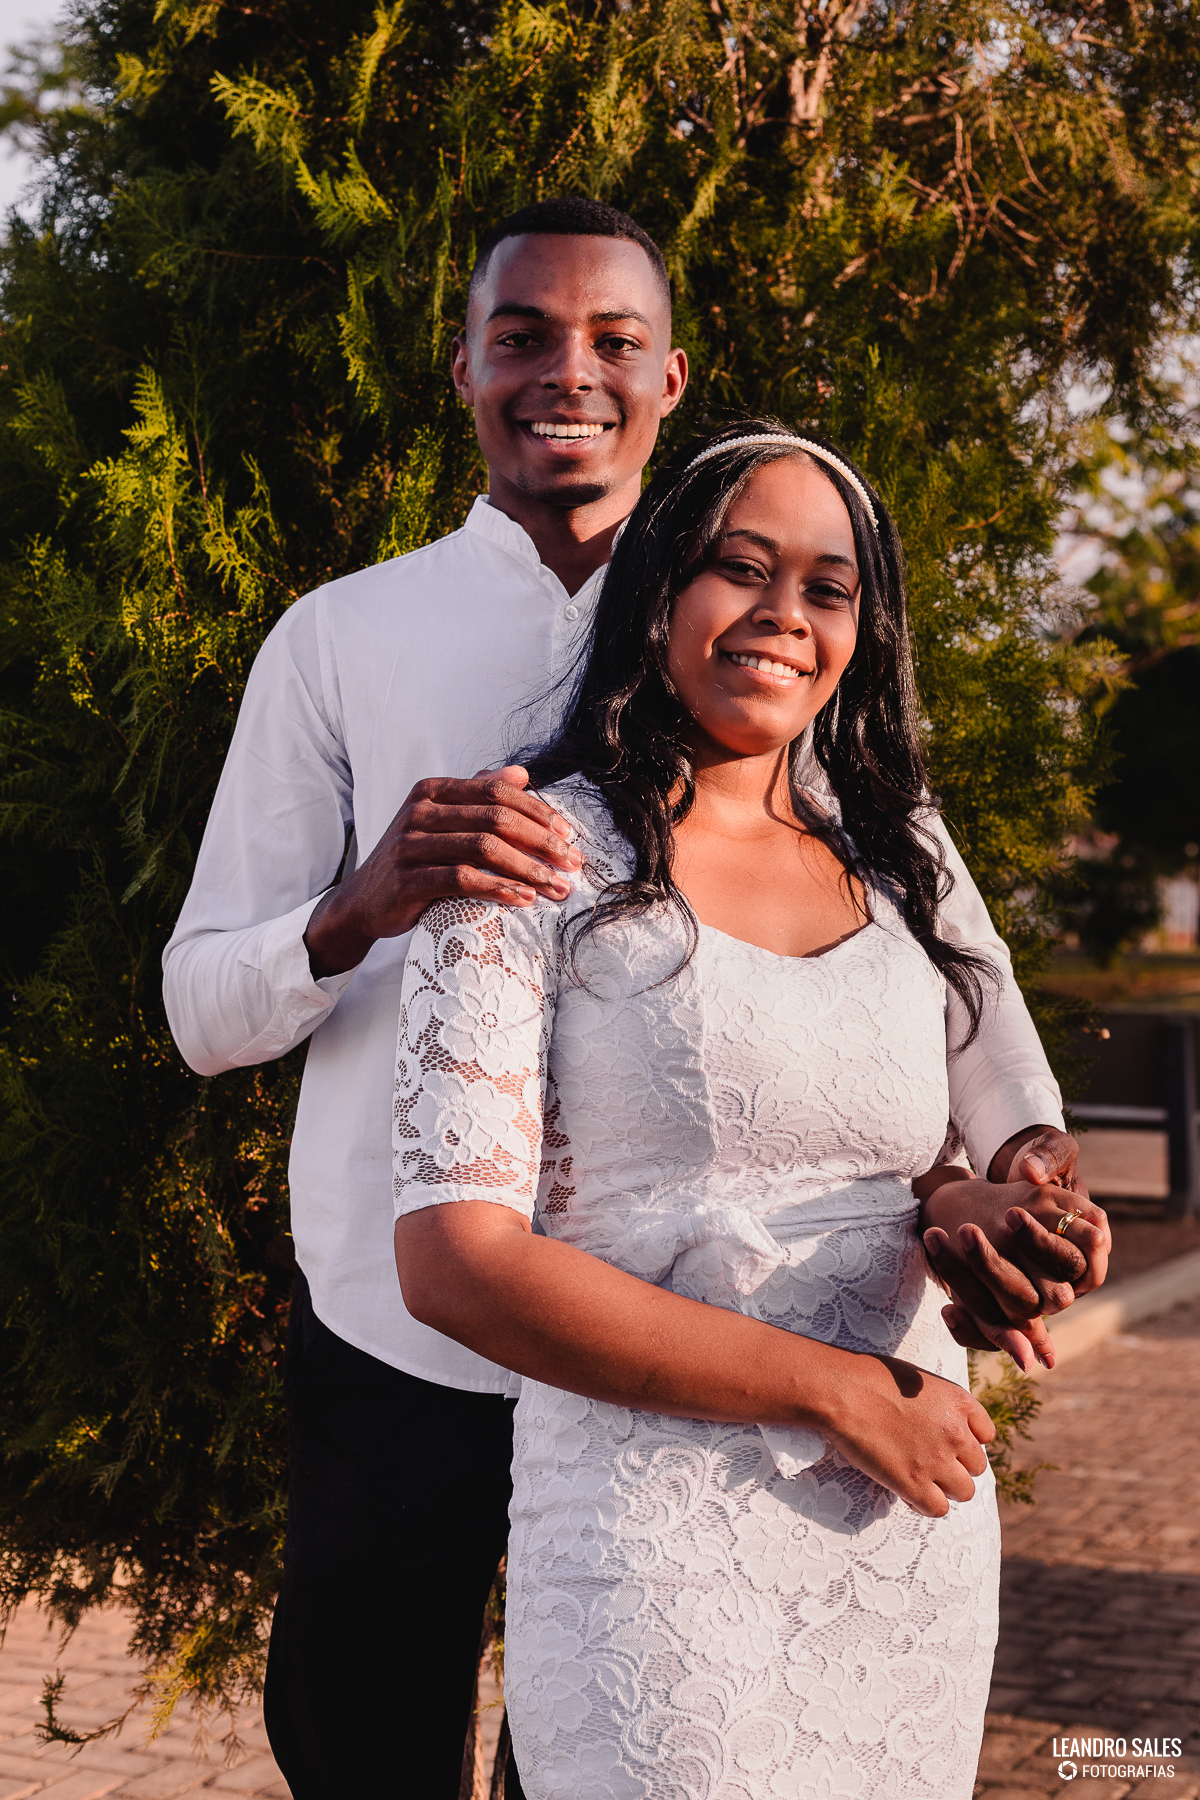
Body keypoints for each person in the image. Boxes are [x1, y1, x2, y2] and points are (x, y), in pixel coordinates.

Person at [163, 201, 1105, 1797]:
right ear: (461, 366)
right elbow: (202, 1010)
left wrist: (1014, 1170)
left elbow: (951, 981)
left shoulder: (772, 632)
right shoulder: (338, 641)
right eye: (522, 334)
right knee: (365, 1749)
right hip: (415, 1339)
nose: (566, 373)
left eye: (612, 341)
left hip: (711, 1376)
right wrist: (361, 903)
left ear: (672, 376)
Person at [391, 423, 1110, 1799]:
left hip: (900, 1533)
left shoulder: (902, 855)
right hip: (653, 1542)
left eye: (828, 588)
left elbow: (987, 1130)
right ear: (659, 589)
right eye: (741, 567)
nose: (786, 614)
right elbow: (456, 1263)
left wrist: (990, 1217)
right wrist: (833, 1393)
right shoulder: (535, 853)